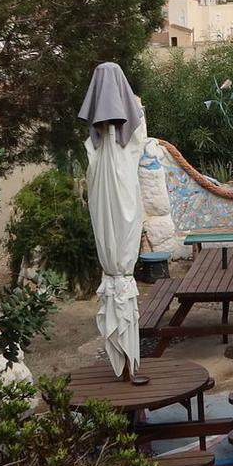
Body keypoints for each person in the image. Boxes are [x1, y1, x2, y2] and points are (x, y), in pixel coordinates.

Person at [78, 63, 148, 384]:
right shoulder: (115, 141)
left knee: (118, 256)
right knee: (117, 256)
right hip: (118, 194)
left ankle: (126, 362)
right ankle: (125, 364)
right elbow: (136, 134)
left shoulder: (101, 147)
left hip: (116, 197)